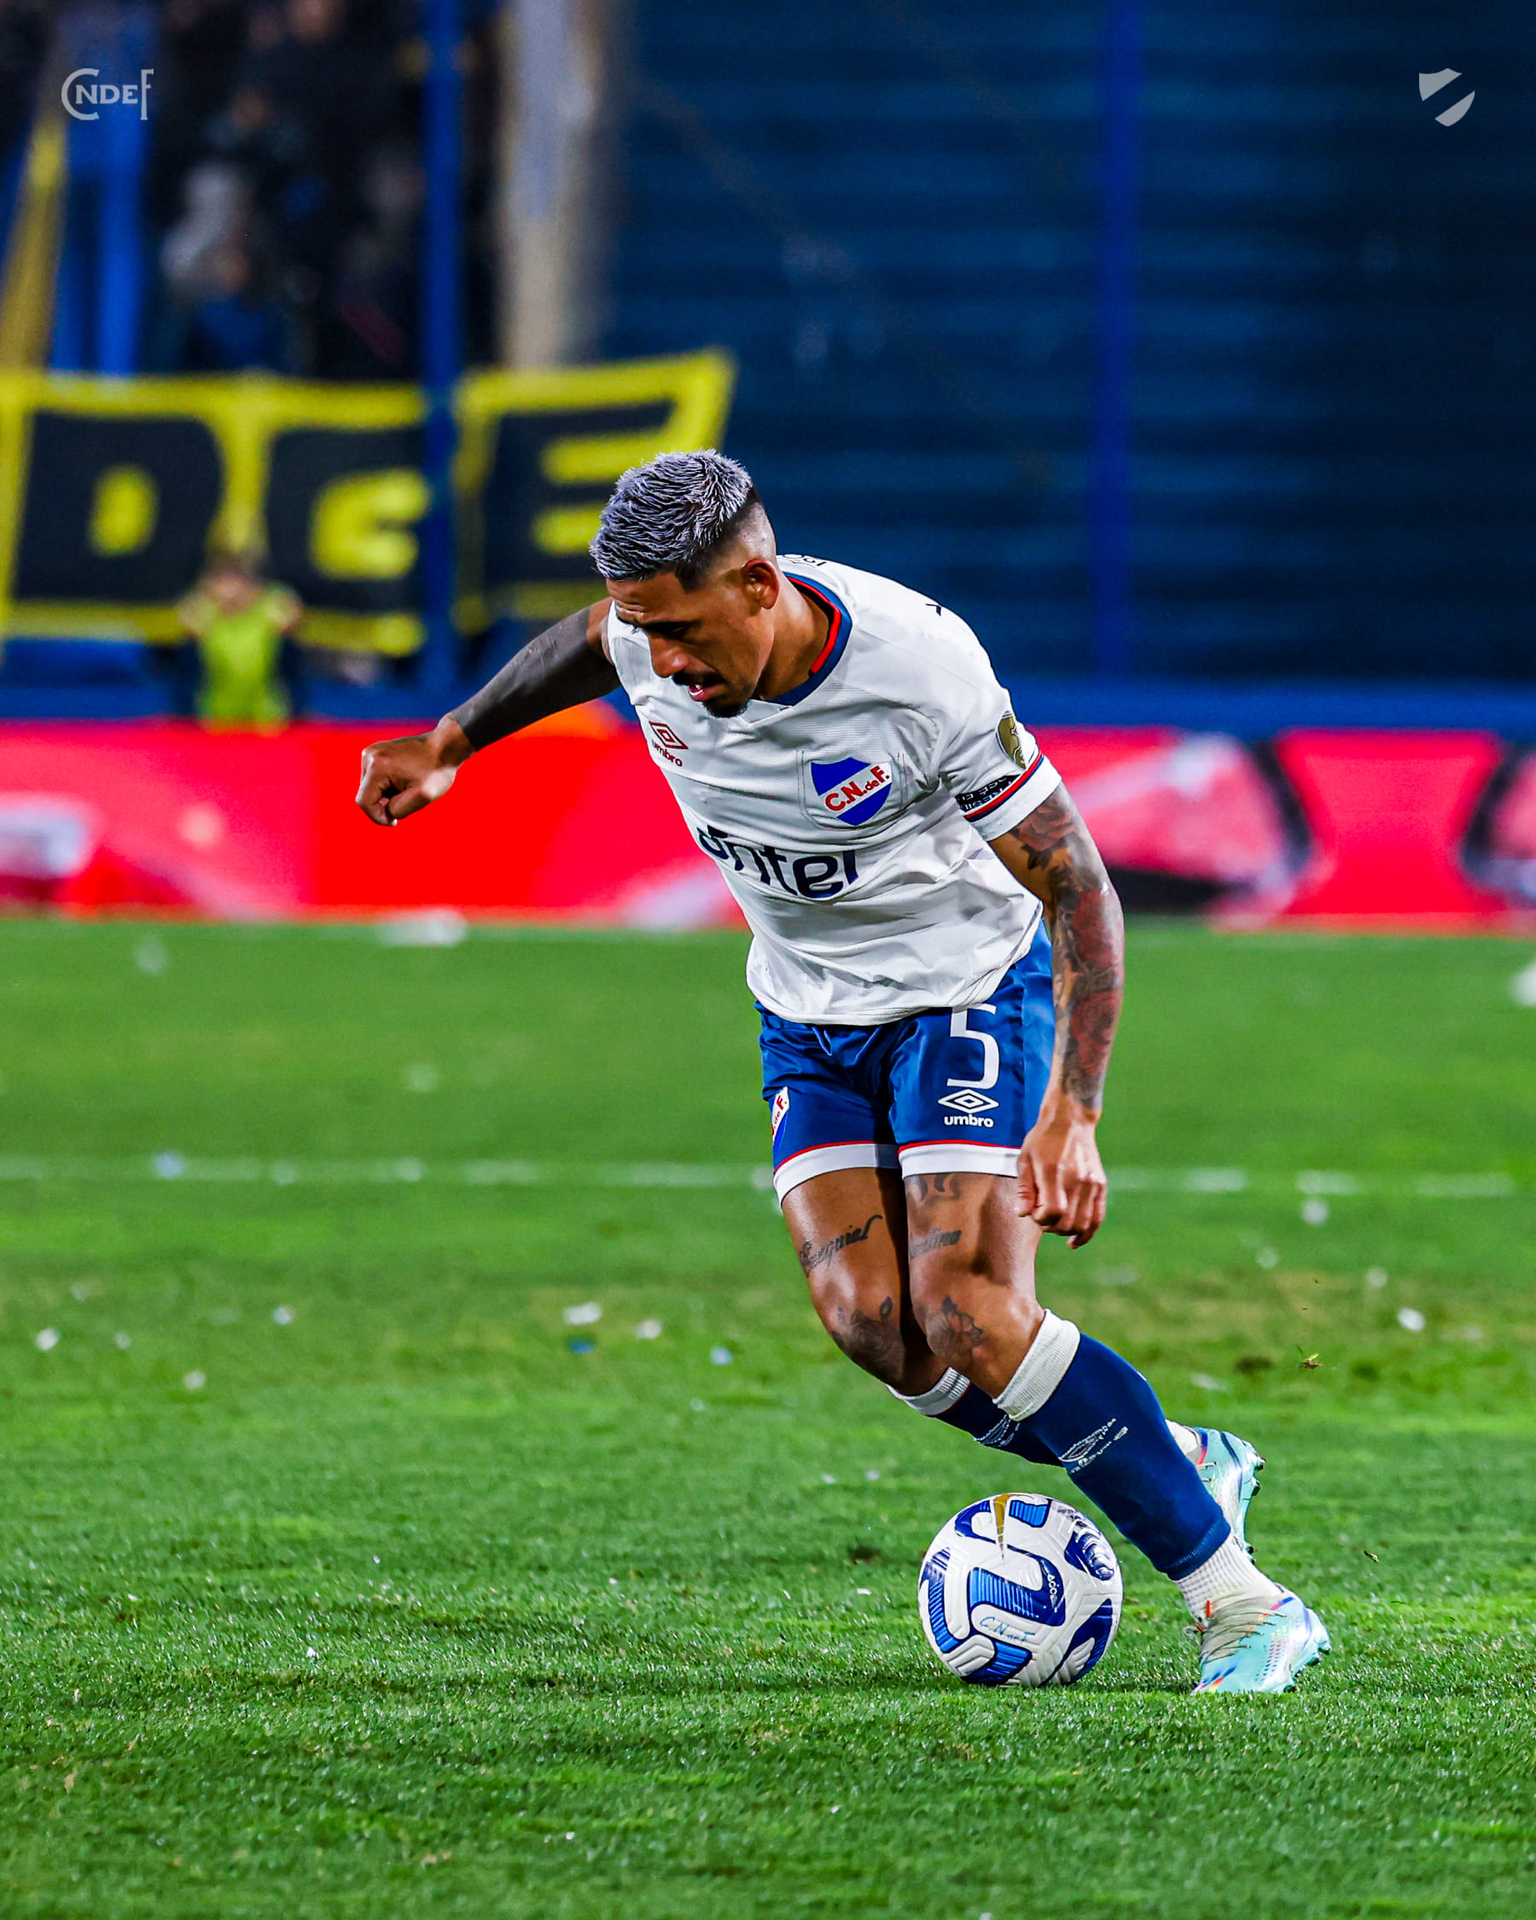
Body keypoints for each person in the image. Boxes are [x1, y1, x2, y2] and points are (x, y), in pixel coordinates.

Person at [355, 451, 1329, 1694]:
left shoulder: (918, 670)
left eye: (684, 630)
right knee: (876, 1325)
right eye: (648, 630)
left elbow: (1080, 885)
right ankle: (1175, 1458)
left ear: (759, 584)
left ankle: (1245, 1607)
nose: (665, 661)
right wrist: (453, 739)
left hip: (963, 992)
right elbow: (589, 641)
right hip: (804, 1014)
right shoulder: (648, 633)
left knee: (968, 1312)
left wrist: (1074, 1112)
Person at [177, 550, 303, 727]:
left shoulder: (268, 610)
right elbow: (186, 619)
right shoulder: (206, 614)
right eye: (222, 582)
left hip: (266, 713)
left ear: (250, 583)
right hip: (216, 713)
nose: (230, 590)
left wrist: (259, 596)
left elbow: (293, 614)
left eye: (236, 581)